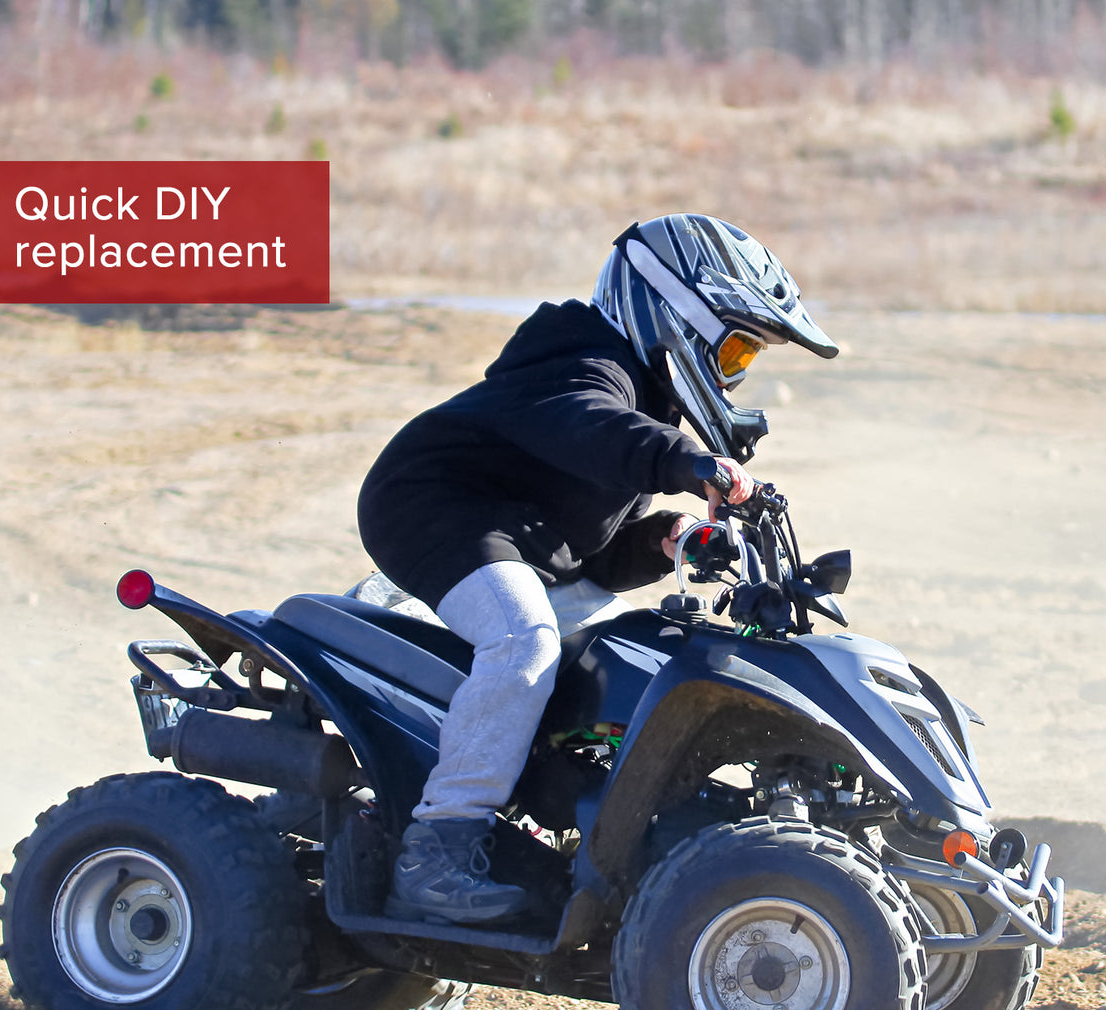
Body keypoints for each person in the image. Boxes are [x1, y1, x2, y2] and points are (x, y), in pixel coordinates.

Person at [356, 213, 838, 925]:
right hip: (438, 509)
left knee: (619, 652)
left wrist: (666, 540)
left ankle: (548, 808)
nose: (734, 376)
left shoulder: (639, 401)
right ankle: (440, 847)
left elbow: (591, 549)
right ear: (675, 314)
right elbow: (590, 423)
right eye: (734, 353)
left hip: (516, 537)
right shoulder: (583, 363)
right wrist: (687, 462)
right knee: (523, 643)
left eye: (746, 363)